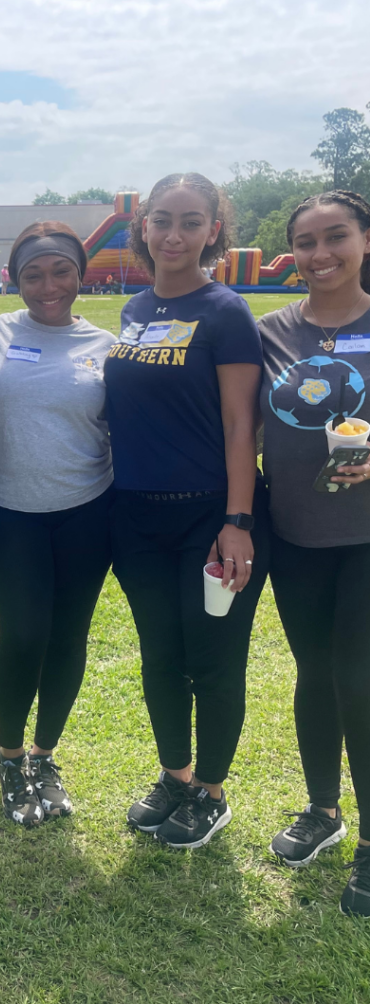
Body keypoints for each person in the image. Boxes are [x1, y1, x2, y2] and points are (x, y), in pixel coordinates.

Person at [106, 172, 268, 848]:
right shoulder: (134, 310)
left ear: (213, 231)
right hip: (135, 517)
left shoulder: (226, 312)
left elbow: (241, 427)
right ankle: (176, 776)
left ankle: (213, 790)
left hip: (210, 516)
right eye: (162, 219)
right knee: (159, 655)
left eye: (191, 221)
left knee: (213, 659)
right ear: (142, 226)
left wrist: (237, 522)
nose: (175, 234)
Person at [0, 222, 115, 826]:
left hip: (89, 509)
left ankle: (44, 755)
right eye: (33, 273)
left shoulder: (107, 344)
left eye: (61, 270)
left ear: (81, 275)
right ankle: (9, 757)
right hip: (10, 511)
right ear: (15, 277)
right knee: (23, 635)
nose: (48, 285)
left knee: (69, 638)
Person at [260, 190, 370, 918]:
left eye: (336, 237)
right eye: (306, 241)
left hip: (366, 537)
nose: (320, 253)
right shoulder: (269, 329)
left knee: (358, 676)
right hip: (294, 533)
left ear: (364, 240)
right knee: (314, 672)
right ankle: (324, 814)